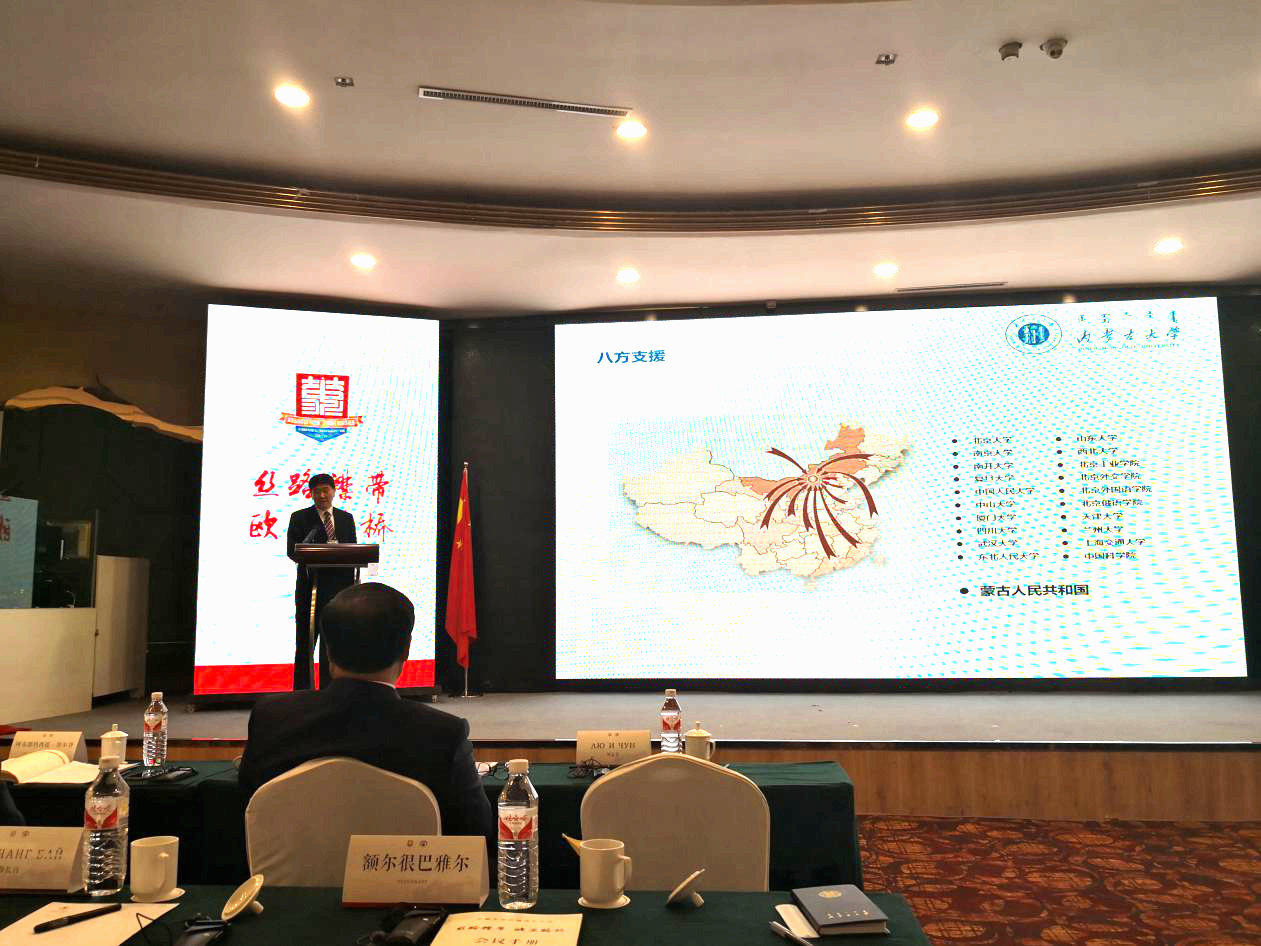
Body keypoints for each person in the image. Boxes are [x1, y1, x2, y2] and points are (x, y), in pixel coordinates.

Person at [238, 583, 493, 852]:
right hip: (404, 879)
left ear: (328, 650)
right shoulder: (443, 735)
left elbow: (248, 813)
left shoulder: (271, 718)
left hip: (286, 879)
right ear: (406, 650)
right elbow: (478, 837)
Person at [286, 473, 357, 690]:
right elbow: (292, 551)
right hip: (310, 590)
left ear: (334, 491)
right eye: (317, 491)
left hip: (339, 592)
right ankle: (302, 693)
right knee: (305, 644)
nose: (322, 495)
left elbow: (354, 552)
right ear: (311, 494)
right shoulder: (300, 518)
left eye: (326, 490)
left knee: (332, 645)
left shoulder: (346, 518)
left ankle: (330, 692)